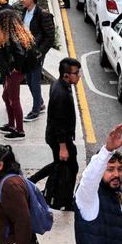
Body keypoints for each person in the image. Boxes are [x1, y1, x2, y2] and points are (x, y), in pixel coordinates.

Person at [29, 57, 81, 210]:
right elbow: (59, 123)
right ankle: (65, 200)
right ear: (66, 75)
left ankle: (33, 180)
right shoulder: (61, 94)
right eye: (76, 73)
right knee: (71, 167)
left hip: (56, 136)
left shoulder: (60, 84)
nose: (79, 76)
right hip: (58, 137)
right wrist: (63, 147)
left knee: (60, 164)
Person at [0, 9, 36, 140]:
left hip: (15, 73)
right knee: (5, 96)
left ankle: (19, 131)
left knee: (14, 100)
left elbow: (19, 55)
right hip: (16, 72)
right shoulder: (18, 33)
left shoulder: (12, 38)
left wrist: (15, 69)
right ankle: (11, 124)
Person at [20, 0, 56, 121]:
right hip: (26, 52)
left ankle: (35, 110)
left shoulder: (43, 15)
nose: (21, 0)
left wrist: (40, 53)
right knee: (29, 79)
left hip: (36, 53)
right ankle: (40, 103)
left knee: (34, 80)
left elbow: (50, 37)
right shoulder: (24, 11)